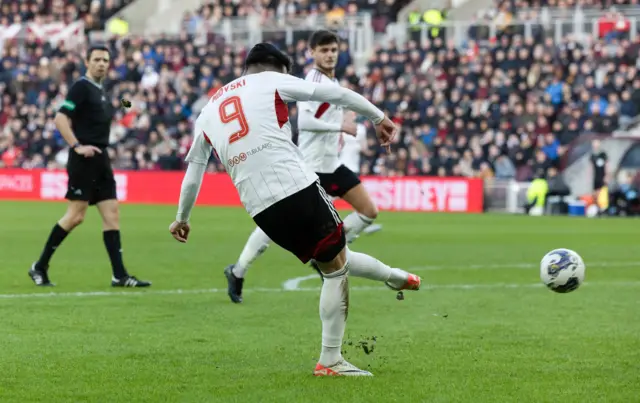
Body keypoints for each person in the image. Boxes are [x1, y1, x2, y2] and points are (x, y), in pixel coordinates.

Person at [168, 43, 421, 376]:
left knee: (332, 256)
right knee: (335, 270)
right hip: (295, 186)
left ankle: (394, 277)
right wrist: (379, 117)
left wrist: (182, 218)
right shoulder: (271, 81)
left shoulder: (207, 111)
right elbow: (338, 94)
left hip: (260, 209)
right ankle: (330, 360)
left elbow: (193, 174)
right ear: (272, 68)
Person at [224, 30, 383, 302]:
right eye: (324, 50)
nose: (330, 55)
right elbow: (305, 122)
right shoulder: (313, 79)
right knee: (271, 229)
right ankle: (238, 271)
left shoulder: (332, 80)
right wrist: (340, 125)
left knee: (369, 211)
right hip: (309, 168)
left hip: (332, 165)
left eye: (333, 50)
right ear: (312, 53)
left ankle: (331, 252)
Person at [28, 45, 151, 288]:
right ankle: (39, 266)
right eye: (97, 59)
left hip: (101, 159)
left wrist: (130, 103)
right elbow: (60, 117)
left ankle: (120, 275)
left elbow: (118, 104)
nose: (102, 63)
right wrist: (76, 146)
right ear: (87, 61)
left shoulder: (103, 91)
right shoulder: (80, 88)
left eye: (106, 60)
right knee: (75, 216)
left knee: (112, 214)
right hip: (83, 159)